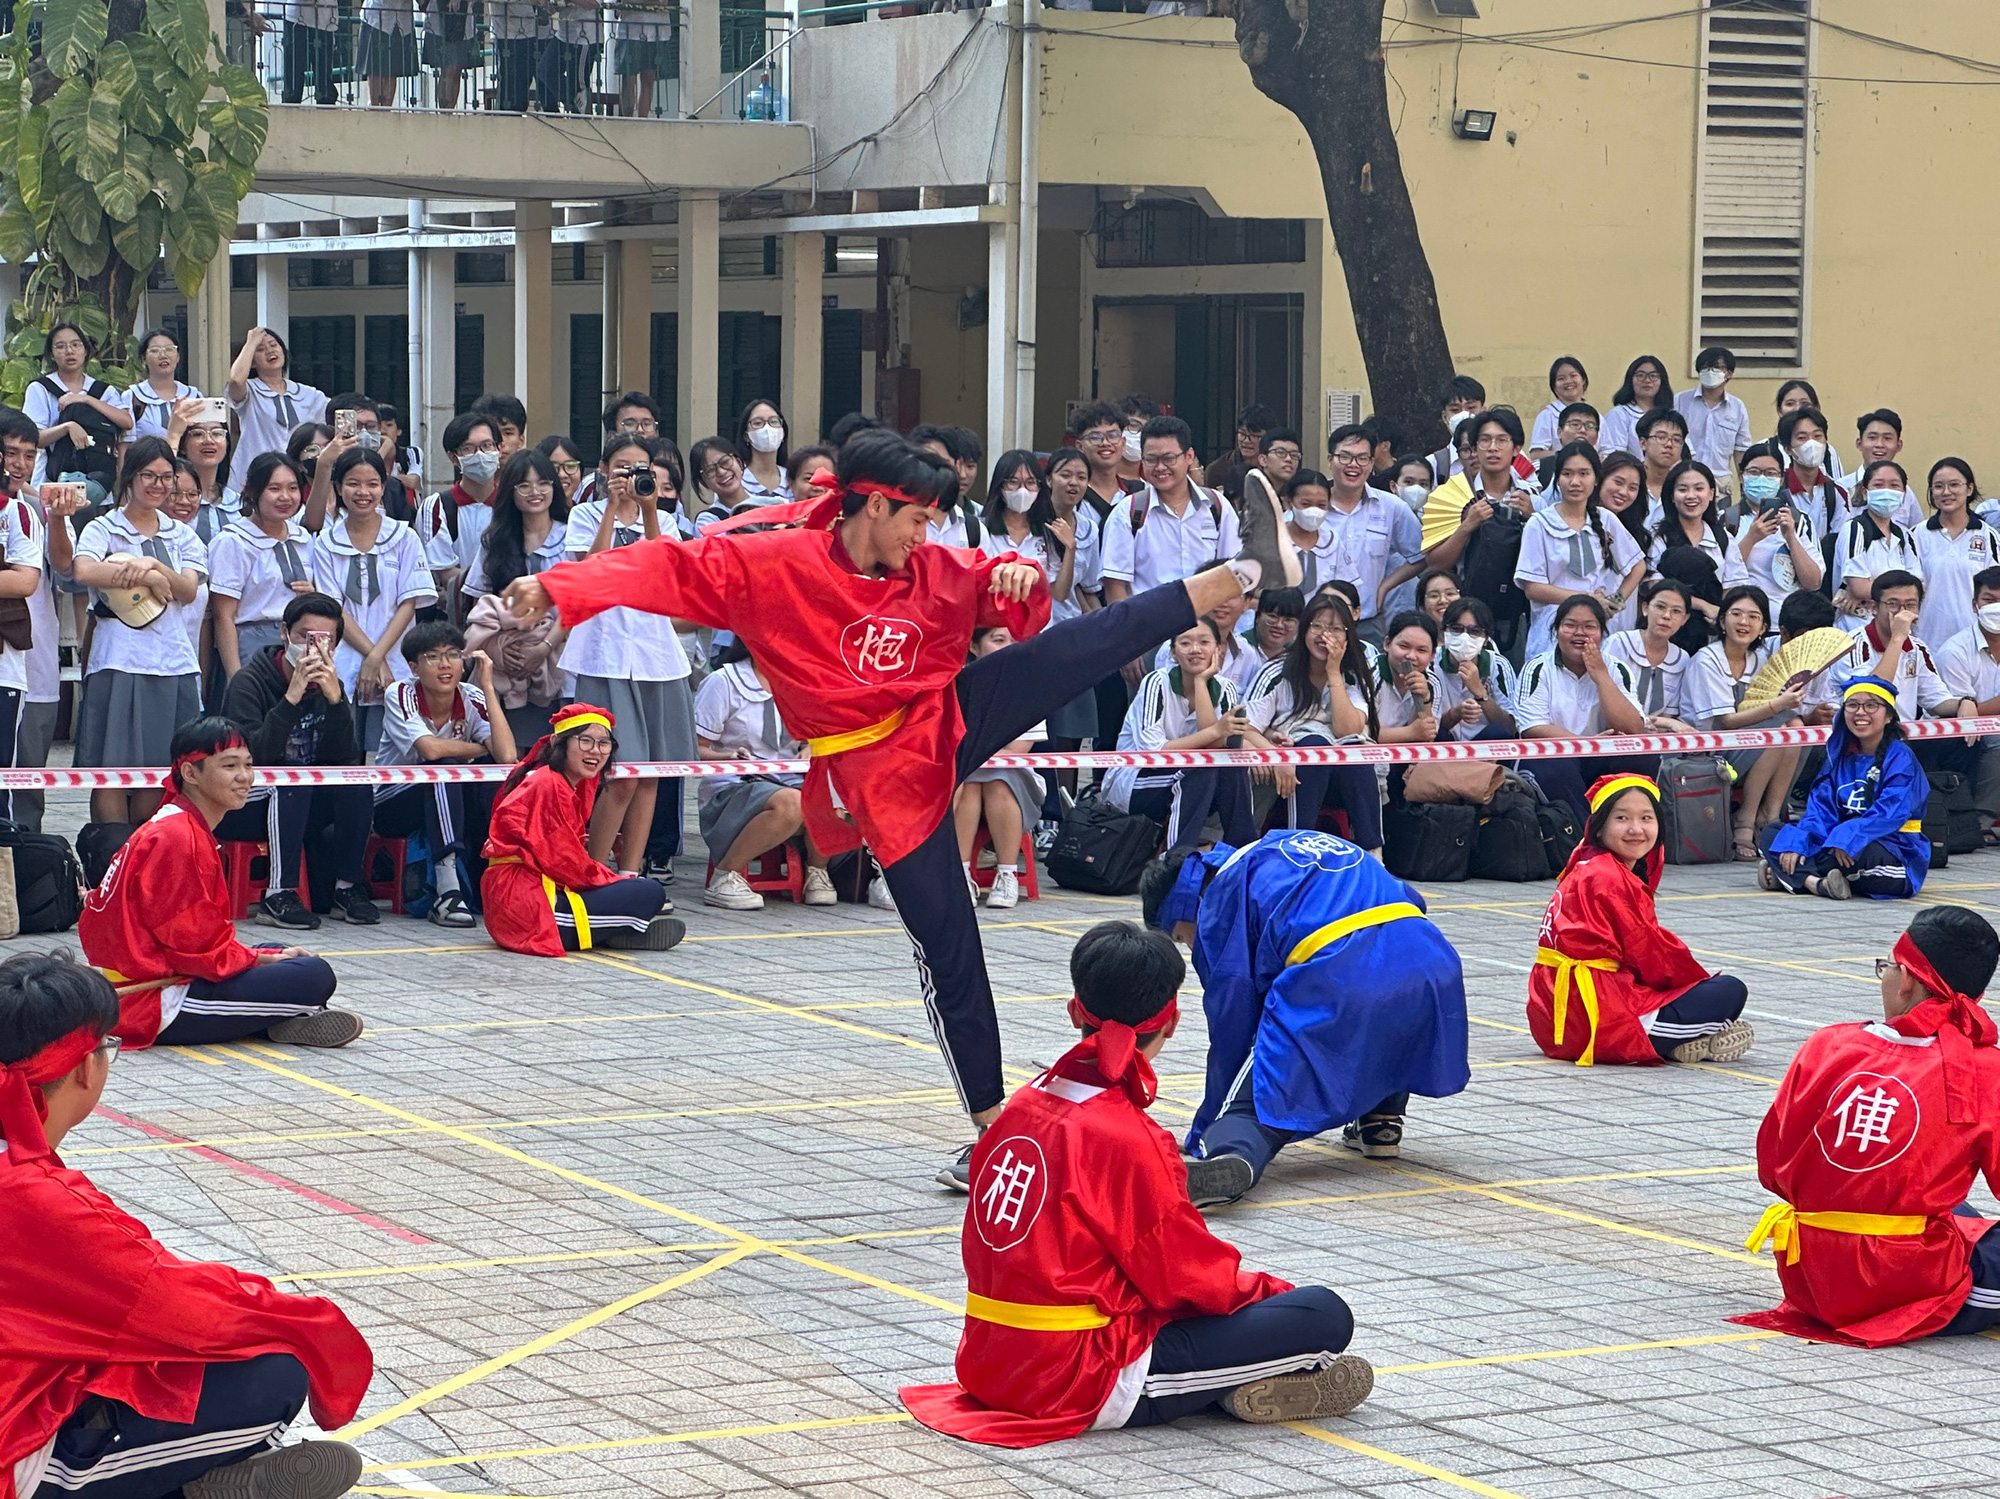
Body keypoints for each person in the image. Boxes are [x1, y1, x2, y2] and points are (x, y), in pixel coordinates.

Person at [507, 428, 1263, 1167]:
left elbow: (1013, 605)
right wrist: (556, 586)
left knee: (1069, 649)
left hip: (946, 715)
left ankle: (1214, 583)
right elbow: (663, 566)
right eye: (917, 517)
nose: (925, 533)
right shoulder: (771, 564)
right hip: (878, 773)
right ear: (873, 506)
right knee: (946, 940)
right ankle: (991, 1122)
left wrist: (1019, 585)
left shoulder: (931, 564)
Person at [898, 920, 1372, 1444]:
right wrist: (1268, 1296)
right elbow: (1188, 1277)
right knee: (1322, 1314)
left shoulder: (1024, 1104)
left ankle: (1225, 1379)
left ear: (1074, 1009)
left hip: (988, 1358)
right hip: (1071, 1376)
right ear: (1172, 1020)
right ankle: (1227, 1382)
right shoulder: (1125, 1133)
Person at [0, 952, 373, 1499]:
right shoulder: (32, 1196)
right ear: (85, 1067)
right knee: (274, 1367)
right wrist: (311, 1325)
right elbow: (179, 1304)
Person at [1736, 905, 2000, 1346]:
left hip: (1811, 1275)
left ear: (1910, 980)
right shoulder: (1983, 1068)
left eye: (1889, 968)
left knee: (1953, 1212)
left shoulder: (1829, 1043)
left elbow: (1773, 1167)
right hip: (1903, 1282)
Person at [1153, 831, 1468, 1189]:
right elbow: (1410, 898)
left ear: (1185, 904)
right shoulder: (1290, 843)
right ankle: (1382, 1119)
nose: (1189, 945)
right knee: (1385, 1008)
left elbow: (1232, 1018)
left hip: (1343, 976)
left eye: (1181, 937)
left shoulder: (1223, 892)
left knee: (1263, 1094)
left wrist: (1206, 1129)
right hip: (1432, 962)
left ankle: (1232, 1155)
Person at [79, 717, 359, 1047]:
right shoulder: (179, 836)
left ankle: (277, 1018)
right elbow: (195, 950)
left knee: (285, 955)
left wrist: (262, 957)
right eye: (229, 765)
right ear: (189, 774)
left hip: (153, 978)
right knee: (313, 976)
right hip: (151, 1000)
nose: (244, 777)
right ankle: (281, 1016)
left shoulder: (176, 823)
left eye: (248, 765)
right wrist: (257, 960)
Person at [1529, 774, 1752, 1066]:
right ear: (1599, 827)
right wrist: (1692, 984)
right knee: (1729, 991)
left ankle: (1685, 1040)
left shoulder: (1585, 866)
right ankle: (1685, 1040)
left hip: (1552, 1023)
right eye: (1622, 818)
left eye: (1646, 818)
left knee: (1695, 990)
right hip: (1596, 1021)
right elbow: (1651, 956)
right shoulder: (1608, 877)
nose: (1636, 829)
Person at [48, 439, 208, 827]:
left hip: (171, 661)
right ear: (130, 478)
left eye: (166, 477)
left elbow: (187, 590)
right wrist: (149, 576)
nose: (158, 485)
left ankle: (144, 861)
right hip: (119, 657)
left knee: (157, 772)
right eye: (149, 476)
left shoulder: (181, 534)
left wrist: (153, 567)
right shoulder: (104, 526)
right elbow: (83, 570)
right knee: (111, 772)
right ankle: (110, 859)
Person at [559, 431, 697, 874]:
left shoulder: (666, 521)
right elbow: (590, 573)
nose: (630, 476)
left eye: (641, 469)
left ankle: (630, 872)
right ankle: (593, 869)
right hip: (606, 653)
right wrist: (612, 514)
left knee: (651, 774)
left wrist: (650, 510)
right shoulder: (584, 515)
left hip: (657, 655)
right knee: (619, 773)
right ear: (603, 471)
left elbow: (664, 573)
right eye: (621, 467)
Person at [218, 593, 382, 931]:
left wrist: (336, 702)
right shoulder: (248, 683)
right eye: (304, 637)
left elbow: (345, 758)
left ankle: (348, 888)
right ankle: (278, 893)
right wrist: (291, 698)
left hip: (302, 805)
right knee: (290, 783)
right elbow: (253, 758)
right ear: (284, 633)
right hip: (244, 802)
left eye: (324, 641)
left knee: (356, 781)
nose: (313, 649)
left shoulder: (330, 686)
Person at [479, 703, 683, 954]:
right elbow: (565, 863)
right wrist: (611, 880)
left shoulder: (556, 781)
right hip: (528, 906)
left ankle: (621, 928)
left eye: (604, 744)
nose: (595, 751)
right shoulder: (548, 784)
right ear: (558, 743)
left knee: (635, 892)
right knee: (649, 893)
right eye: (585, 740)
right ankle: (624, 928)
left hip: (519, 900)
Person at [373, 620, 518, 929]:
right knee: (445, 768)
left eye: (453, 655)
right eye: (432, 657)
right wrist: (480, 749)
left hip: (448, 798)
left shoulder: (472, 696)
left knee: (493, 778)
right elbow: (430, 750)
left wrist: (488, 687)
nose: (445, 665)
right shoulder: (400, 692)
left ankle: (495, 878)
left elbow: (506, 756)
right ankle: (447, 891)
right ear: (414, 666)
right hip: (394, 801)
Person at [308, 447, 438, 755]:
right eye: (353, 483)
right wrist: (370, 658)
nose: (363, 492)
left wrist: (377, 658)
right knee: (343, 751)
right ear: (338, 488)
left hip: (394, 664)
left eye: (372, 483)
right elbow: (333, 608)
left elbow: (409, 603)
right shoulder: (326, 543)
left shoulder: (404, 538)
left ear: (384, 486)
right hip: (341, 663)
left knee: (389, 754)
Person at [694, 640, 832, 911]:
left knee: (839, 792)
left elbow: (813, 737)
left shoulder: (802, 682)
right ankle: (725, 876)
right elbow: (695, 749)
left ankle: (818, 871)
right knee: (791, 804)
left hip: (789, 779)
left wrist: (810, 748)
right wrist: (728, 757)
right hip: (733, 786)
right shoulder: (724, 682)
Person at [1761, 678, 1929, 900]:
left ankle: (1789, 874)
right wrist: (1798, 841)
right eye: (1852, 705)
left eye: (1871, 705)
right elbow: (1820, 810)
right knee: (1773, 834)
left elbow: (1891, 812)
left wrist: (1848, 835)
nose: (1860, 712)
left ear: (1888, 716)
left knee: (1859, 853)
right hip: (1837, 844)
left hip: (1891, 846)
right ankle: (1816, 883)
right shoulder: (1840, 756)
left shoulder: (1901, 758)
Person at [1104, 618, 1261, 854]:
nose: (1195, 649)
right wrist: (1215, 731)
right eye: (1185, 643)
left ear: (1218, 650)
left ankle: (1242, 853)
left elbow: (1220, 748)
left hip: (1195, 778)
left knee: (1230, 766)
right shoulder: (1156, 683)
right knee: (1200, 769)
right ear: (1173, 652)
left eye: (1204, 642)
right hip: (1136, 781)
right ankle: (1176, 860)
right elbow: (1152, 752)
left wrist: (1201, 682)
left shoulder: (1226, 687)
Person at [1245, 594, 1382, 853]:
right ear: (1304, 628)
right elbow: (1246, 726)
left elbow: (1347, 729)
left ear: (1348, 635)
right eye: (1317, 626)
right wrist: (1277, 757)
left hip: (1345, 782)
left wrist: (1333, 672)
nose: (1324, 636)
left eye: (1335, 629)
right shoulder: (1277, 672)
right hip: (1290, 775)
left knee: (1355, 751)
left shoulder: (1353, 675)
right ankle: (1297, 847)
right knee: (1314, 744)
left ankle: (1374, 853)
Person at [1685, 585, 1804, 860]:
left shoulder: (1760, 659)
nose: (1744, 622)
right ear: (1722, 621)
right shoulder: (1707, 659)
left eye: (1753, 617)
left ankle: (1771, 816)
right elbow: (1726, 721)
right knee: (1776, 733)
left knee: (1794, 729)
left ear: (1763, 627)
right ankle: (1745, 821)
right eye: (1736, 614)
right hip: (1710, 750)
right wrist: (1778, 705)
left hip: (1746, 744)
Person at [464, 448, 571, 747]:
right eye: (524, 485)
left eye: (543, 483)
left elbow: (578, 603)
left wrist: (545, 646)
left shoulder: (573, 536)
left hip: (564, 662)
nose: (534, 492)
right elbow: (479, 605)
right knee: (516, 754)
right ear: (510, 492)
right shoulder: (495, 540)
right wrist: (497, 649)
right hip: (508, 666)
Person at [1515, 595, 1650, 824]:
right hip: (1553, 756)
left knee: (1641, 757)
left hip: (1599, 755)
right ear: (1556, 631)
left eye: (1589, 626)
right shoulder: (1537, 668)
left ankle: (1628, 832)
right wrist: (1585, 744)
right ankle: (1585, 838)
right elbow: (1532, 728)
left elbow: (1632, 727)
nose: (1580, 633)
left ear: (1601, 634)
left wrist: (1601, 677)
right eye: (1570, 625)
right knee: (1559, 765)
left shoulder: (1617, 669)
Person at [1516, 440, 1645, 659]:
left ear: (1596, 479)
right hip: (1553, 631)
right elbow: (1533, 588)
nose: (1575, 481)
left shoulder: (1606, 520)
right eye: (1567, 474)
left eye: (1584, 474)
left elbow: (1637, 566)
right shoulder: (1539, 524)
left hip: (1598, 630)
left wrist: (1615, 601)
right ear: (1558, 479)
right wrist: (1586, 598)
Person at [208, 452, 315, 680]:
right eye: (274, 489)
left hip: (300, 642)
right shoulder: (233, 541)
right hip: (254, 643)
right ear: (253, 491)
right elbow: (223, 615)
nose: (285, 497)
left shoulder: (303, 539)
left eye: (293, 488)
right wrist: (235, 675)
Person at [1320, 423, 1424, 642]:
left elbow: (1422, 555)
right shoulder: (1309, 509)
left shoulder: (1391, 507)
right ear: (1330, 459)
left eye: (1362, 458)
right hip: (1316, 623)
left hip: (1367, 624)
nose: (1353, 465)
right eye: (1345, 457)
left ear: (1372, 462)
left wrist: (1386, 586)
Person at [1418, 408, 1536, 576]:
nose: (1492, 448)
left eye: (1501, 440)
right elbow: (1436, 563)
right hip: (1469, 596)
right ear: (1475, 448)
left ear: (1517, 448)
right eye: (1485, 440)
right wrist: (1466, 526)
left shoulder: (1532, 497)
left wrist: (1533, 519)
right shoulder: (1450, 495)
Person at [25, 321, 130, 496]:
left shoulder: (104, 391)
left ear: (86, 350)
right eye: (60, 346)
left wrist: (86, 399)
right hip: (50, 484)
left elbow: (127, 422)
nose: (69, 351)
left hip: (98, 486)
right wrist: (68, 427)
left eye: (76, 344)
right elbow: (34, 438)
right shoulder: (40, 388)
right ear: (51, 354)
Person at [1934, 565, 2000, 838]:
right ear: (1975, 605)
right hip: (1962, 737)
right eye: (1989, 600)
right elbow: (1959, 711)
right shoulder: (1955, 650)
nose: (1997, 608)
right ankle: (1979, 823)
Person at [224, 327, 327, 493]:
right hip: (254, 474)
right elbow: (236, 381)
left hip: (298, 477)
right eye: (260, 349)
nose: (269, 351)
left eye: (273, 345)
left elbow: (331, 422)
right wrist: (251, 342)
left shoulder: (309, 394)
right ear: (251, 360)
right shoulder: (251, 391)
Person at [1648, 458, 1742, 637]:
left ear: (1711, 493)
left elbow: (1734, 589)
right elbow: (1655, 586)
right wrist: (1704, 606)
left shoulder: (1723, 538)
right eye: (1682, 489)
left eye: (1699, 489)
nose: (1691, 496)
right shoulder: (1659, 536)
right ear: (1671, 496)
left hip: (1711, 635)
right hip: (1667, 632)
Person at [1732, 439, 1824, 619]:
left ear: (1781, 479)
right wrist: (1751, 538)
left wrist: (1790, 537)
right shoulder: (1728, 519)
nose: (1762, 478)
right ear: (1741, 476)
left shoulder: (1799, 520)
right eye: (1754, 472)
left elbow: (1813, 583)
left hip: (1789, 621)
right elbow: (1722, 575)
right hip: (1744, 621)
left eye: (1770, 473)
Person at [1834, 459, 1924, 635]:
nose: (1886, 491)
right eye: (1878, 485)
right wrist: (1899, 595)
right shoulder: (1855, 529)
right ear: (1865, 492)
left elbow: (1918, 587)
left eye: (1894, 485)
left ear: (1904, 494)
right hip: (1858, 629)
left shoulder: (1905, 536)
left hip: (1900, 628)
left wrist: (1872, 591)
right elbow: (1859, 586)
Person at [1917, 457, 1996, 652]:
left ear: (1969, 489)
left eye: (1954, 484)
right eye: (1938, 486)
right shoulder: (1916, 535)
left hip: (1975, 642)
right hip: (1927, 639)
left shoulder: (1988, 536)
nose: (1946, 492)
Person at [1602, 577, 1694, 729]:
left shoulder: (1681, 658)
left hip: (1653, 740)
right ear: (1645, 608)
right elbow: (1605, 699)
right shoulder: (1619, 643)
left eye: (1676, 611)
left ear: (1685, 619)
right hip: (1611, 733)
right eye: (1660, 607)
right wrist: (1667, 723)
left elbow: (1668, 714)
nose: (1667, 616)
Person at [1433, 596, 1519, 740]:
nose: (1464, 637)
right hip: (1444, 744)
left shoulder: (1499, 665)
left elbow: (1511, 728)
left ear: (1486, 639)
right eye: (1456, 629)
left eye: (1475, 631)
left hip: (1485, 746)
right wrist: (1455, 714)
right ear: (1444, 632)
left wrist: (1480, 693)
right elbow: (1424, 726)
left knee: (1499, 732)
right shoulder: (1431, 661)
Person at [1675, 346, 1752, 482]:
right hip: (1684, 476)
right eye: (1705, 367)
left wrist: (1744, 483)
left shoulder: (1737, 407)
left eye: (1717, 367)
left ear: (1729, 373)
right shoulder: (1680, 401)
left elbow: (1741, 449)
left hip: (1720, 481)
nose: (1710, 372)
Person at [124, 328, 202, 442]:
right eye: (155, 350)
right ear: (143, 359)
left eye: (169, 349)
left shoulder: (194, 396)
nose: (163, 355)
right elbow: (125, 445)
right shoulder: (133, 397)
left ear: (178, 356)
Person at [1596, 354, 1673, 459]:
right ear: (1630, 380)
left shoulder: (1670, 415)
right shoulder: (1619, 414)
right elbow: (1616, 458)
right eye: (1640, 375)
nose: (1647, 380)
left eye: (1653, 376)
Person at [1202, 402, 1278, 501]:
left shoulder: (1276, 467)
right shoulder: (1218, 470)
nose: (1246, 441)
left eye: (1254, 436)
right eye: (1242, 434)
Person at [1634, 406, 1690, 526]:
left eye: (1676, 439)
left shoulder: (1686, 489)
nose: (1669, 444)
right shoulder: (1629, 485)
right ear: (1643, 443)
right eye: (1661, 437)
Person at [1530, 356, 1589, 460]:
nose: (1568, 381)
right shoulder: (1547, 416)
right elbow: (1536, 454)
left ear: (1583, 380)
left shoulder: (1596, 417)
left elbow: (1607, 452)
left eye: (1573, 375)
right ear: (1554, 386)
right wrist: (1567, 454)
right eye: (1561, 378)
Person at [1534, 403, 1602, 490]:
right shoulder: (1540, 468)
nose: (1582, 430)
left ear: (1597, 436)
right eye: (1575, 424)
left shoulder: (1605, 471)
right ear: (1559, 432)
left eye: (1590, 426)